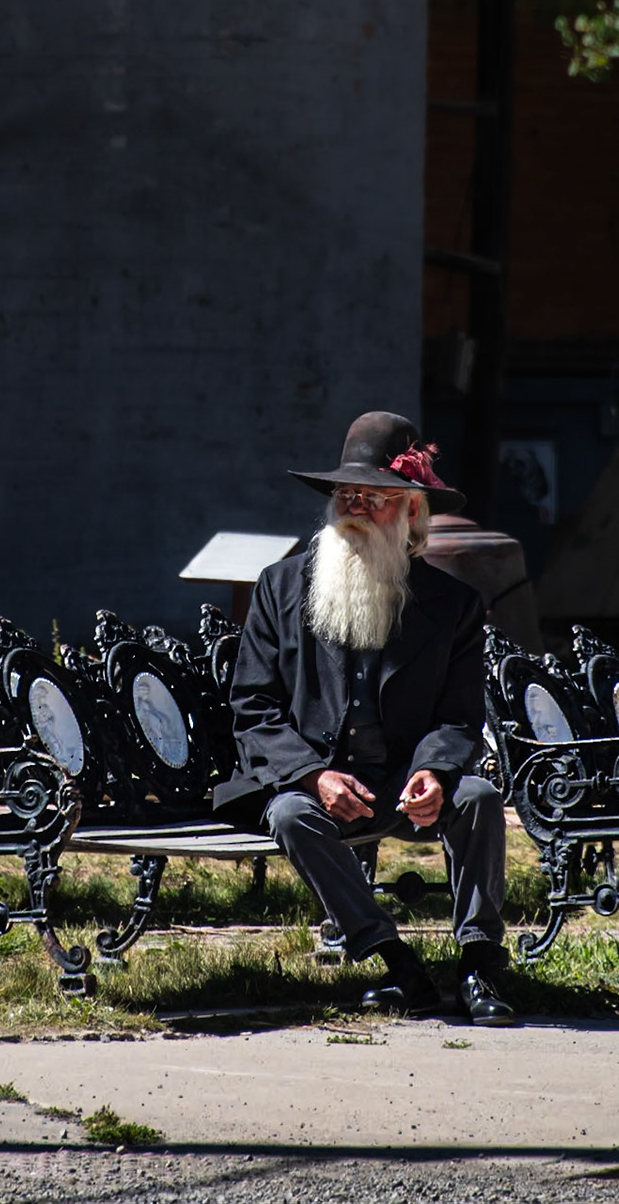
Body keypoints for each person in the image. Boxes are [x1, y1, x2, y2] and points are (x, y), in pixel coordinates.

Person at [215, 411, 515, 1025]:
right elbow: (253, 707)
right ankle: (392, 959)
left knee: (480, 796)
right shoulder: (279, 588)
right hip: (316, 785)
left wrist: (433, 771)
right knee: (293, 815)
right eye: (346, 495)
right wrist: (311, 775)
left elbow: (460, 717)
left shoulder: (453, 605)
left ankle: (479, 961)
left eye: (374, 498)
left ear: (410, 510)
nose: (355, 508)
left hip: (403, 783)